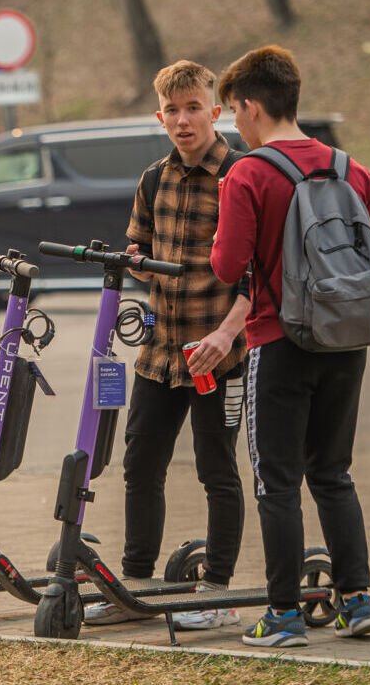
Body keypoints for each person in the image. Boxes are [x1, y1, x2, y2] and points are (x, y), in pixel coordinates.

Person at [211, 45, 370, 648]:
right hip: (346, 342)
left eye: (234, 111)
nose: (234, 123)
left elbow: (227, 264)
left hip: (278, 341)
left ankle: (283, 615)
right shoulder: (351, 168)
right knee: (334, 473)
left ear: (252, 106)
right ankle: (358, 601)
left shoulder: (248, 172)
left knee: (276, 482)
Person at [83, 60, 249, 631]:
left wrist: (226, 336)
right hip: (159, 354)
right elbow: (140, 248)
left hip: (219, 355)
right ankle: (136, 587)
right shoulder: (154, 178)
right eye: (172, 111)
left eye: (193, 108)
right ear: (160, 116)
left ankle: (219, 591)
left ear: (214, 111)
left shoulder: (240, 177)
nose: (183, 121)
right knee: (140, 465)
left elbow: (258, 273)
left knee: (217, 470)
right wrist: (132, 262)